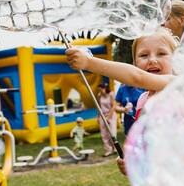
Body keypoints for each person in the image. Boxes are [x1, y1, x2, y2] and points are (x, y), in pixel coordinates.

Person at [66, 28, 178, 174]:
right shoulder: (143, 100)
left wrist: (89, 62)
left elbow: (137, 77)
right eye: (143, 55)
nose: (152, 60)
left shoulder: (174, 84)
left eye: (161, 53)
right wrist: (133, 163)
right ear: (135, 63)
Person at [97, 83, 117, 157]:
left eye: (102, 89)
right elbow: (98, 106)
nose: (101, 91)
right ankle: (108, 149)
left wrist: (109, 117)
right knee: (104, 134)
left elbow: (114, 106)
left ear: (105, 88)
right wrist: (98, 117)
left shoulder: (111, 94)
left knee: (112, 132)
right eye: (99, 89)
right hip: (102, 115)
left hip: (111, 115)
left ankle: (115, 148)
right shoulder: (99, 95)